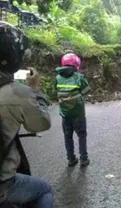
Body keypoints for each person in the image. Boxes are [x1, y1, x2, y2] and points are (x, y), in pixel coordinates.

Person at [0, 21, 54, 207]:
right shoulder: (16, 92)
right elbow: (41, 123)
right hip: (4, 185)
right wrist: (35, 89)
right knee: (44, 190)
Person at [55, 53, 91, 167]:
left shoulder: (57, 77)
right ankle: (84, 159)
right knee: (82, 134)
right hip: (78, 113)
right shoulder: (79, 77)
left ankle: (71, 159)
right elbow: (86, 90)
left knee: (67, 136)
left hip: (65, 113)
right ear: (76, 64)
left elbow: (54, 91)